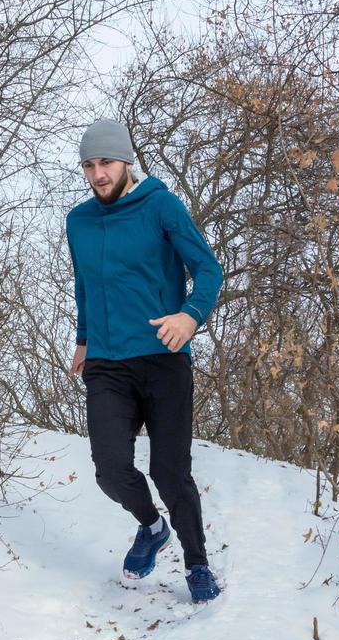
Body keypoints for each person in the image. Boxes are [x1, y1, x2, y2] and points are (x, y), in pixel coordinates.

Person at [66, 119, 225, 603]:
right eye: (90, 165)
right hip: (107, 364)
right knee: (109, 470)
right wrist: (84, 336)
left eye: (106, 163)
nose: (98, 174)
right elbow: (85, 284)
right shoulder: (79, 220)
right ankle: (153, 528)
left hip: (162, 357)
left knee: (170, 471)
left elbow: (208, 269)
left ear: (127, 162)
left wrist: (190, 317)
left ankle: (197, 564)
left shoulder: (161, 205)